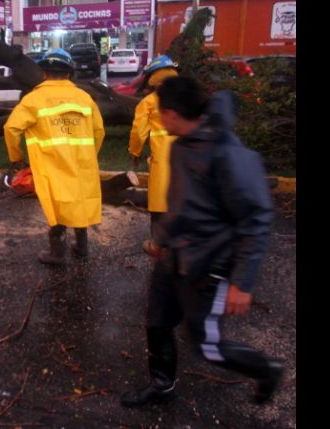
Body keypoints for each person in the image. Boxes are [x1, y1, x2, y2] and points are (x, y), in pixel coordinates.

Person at [120, 76, 283, 408]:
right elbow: (179, 204)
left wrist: (242, 281)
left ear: (173, 113)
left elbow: (256, 218)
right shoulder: (181, 146)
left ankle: (268, 369)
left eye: (160, 112)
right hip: (174, 257)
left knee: (207, 345)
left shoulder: (228, 154)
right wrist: (162, 242)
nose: (159, 119)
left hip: (209, 267)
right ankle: (162, 387)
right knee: (158, 323)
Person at [4, 49, 105, 266]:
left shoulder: (34, 99)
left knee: (57, 205)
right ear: (69, 74)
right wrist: (89, 155)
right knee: (79, 201)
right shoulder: (84, 98)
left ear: (44, 73)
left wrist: (16, 157)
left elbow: (11, 128)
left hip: (52, 164)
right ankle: (82, 247)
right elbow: (99, 131)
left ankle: (57, 254)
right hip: (81, 163)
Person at [127, 55, 179, 251]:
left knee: (159, 203)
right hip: (191, 155)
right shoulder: (186, 98)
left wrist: (135, 151)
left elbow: (138, 132)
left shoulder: (148, 102)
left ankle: (157, 244)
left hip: (163, 158)